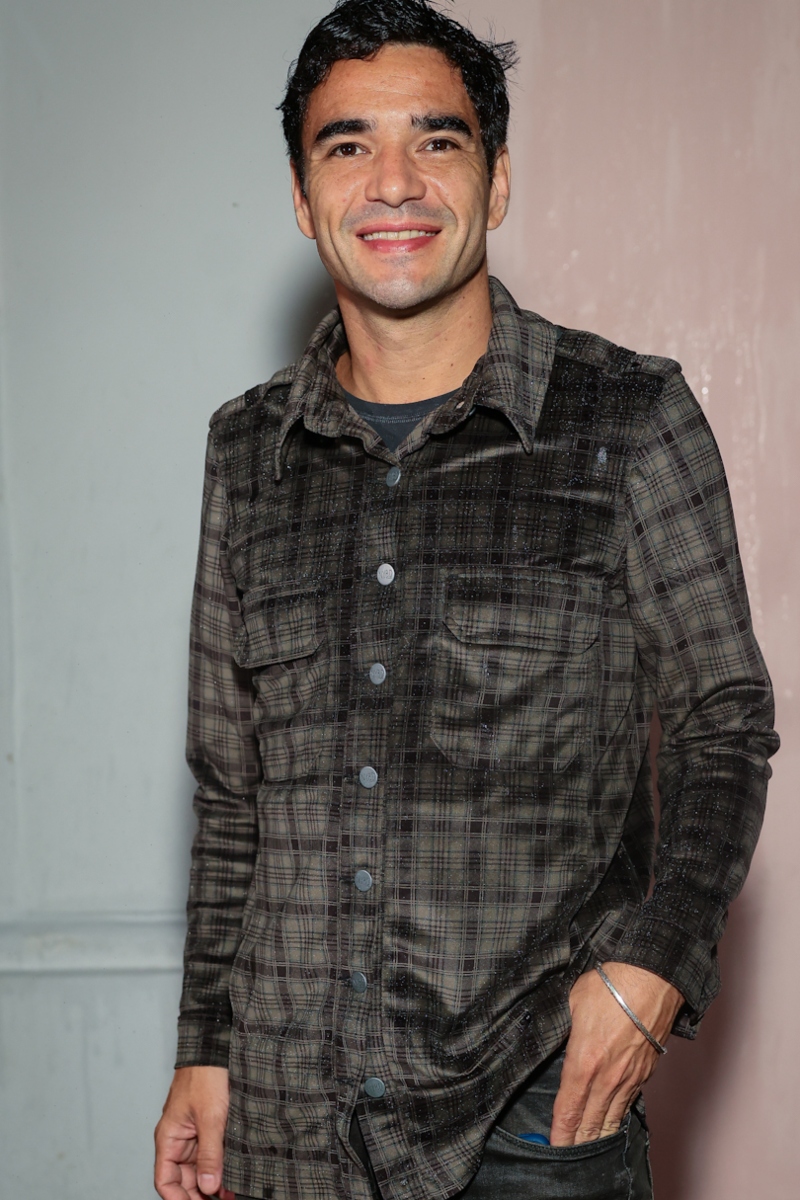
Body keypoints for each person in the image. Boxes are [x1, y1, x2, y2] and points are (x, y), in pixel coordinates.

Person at [154, 2, 779, 1198]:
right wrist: (204, 1049)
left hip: (530, 1115)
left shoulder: (626, 421)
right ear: (302, 198)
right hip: (288, 1120)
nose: (392, 182)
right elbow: (233, 794)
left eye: (434, 141)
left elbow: (721, 722)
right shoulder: (244, 451)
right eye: (347, 145)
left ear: (494, 182)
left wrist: (655, 967)